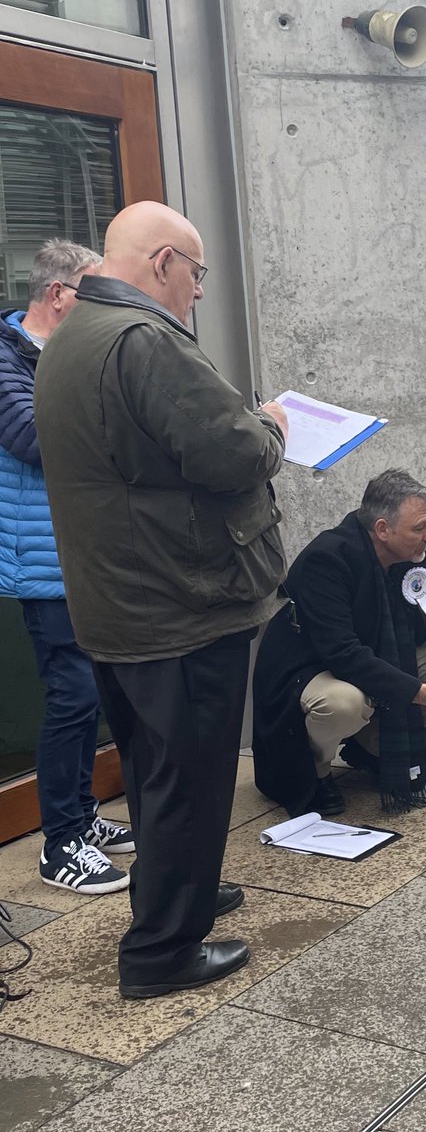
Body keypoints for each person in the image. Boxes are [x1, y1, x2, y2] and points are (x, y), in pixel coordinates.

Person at [33, 202, 289, 1000]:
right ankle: (162, 952)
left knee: (154, 774)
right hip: (178, 605)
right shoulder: (142, 340)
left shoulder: (70, 333)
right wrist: (270, 425)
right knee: (189, 777)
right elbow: (231, 452)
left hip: (120, 605)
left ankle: (176, 890)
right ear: (164, 263)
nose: (200, 292)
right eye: (198, 274)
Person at [0, 239, 135, 895]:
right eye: (93, 292)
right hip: (43, 559)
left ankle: (82, 817)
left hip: (89, 556)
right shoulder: (6, 356)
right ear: (58, 295)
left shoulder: (70, 354)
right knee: (72, 695)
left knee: (92, 697)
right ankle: (62, 845)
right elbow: (33, 438)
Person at [252, 468, 426, 816]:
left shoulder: (416, 553)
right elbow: (344, 654)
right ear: (382, 529)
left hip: (375, 658)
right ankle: (316, 774)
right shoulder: (329, 558)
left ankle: (372, 748)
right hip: (314, 669)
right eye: (419, 527)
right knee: (343, 704)